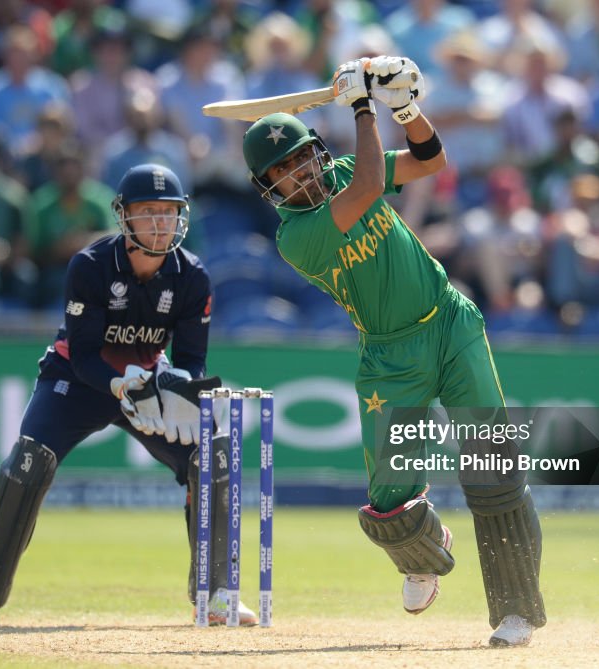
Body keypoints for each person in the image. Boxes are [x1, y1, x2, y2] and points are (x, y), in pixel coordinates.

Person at [240, 56, 546, 646]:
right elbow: (372, 186)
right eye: (284, 170)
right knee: (388, 499)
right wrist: (361, 105)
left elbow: (432, 161)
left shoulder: (349, 169)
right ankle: (421, 555)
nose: (300, 172)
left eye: (303, 156)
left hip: (450, 323)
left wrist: (405, 109)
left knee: (490, 462)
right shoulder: (296, 237)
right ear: (267, 188)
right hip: (390, 357)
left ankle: (515, 612)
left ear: (318, 152)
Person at [0, 163, 256, 627]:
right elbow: (87, 354)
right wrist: (118, 384)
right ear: (124, 217)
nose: (159, 222)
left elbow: (192, 360)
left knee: (210, 454)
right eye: (147, 211)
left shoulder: (193, 277)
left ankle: (215, 595)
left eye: (168, 212)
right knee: (28, 460)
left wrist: (174, 389)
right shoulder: (90, 266)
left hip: (147, 385)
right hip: (77, 379)